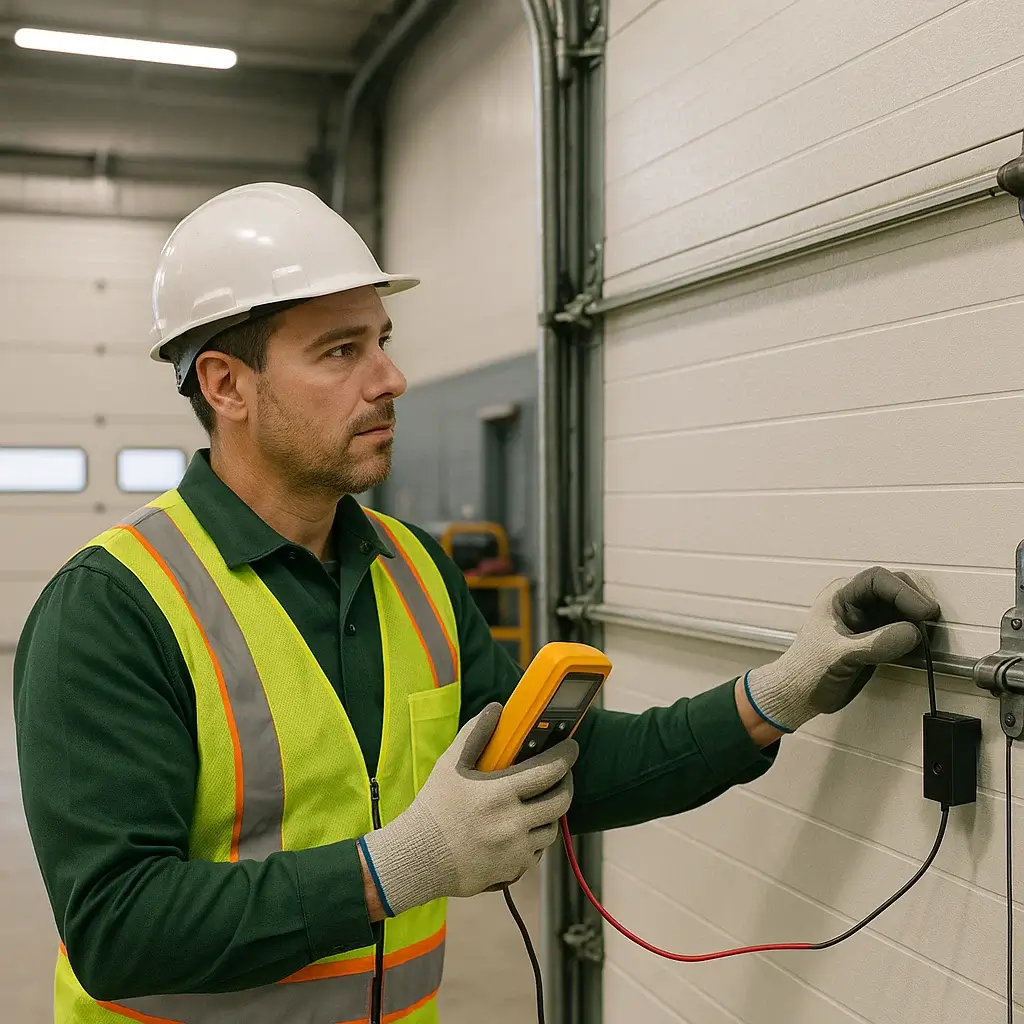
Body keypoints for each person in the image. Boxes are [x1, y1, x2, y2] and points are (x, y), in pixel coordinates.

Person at [13, 183, 940, 1024]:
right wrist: (395, 867)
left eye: (381, 341)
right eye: (340, 351)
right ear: (226, 384)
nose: (388, 378)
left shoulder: (413, 571)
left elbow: (563, 765)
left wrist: (780, 692)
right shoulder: (114, 607)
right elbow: (116, 928)